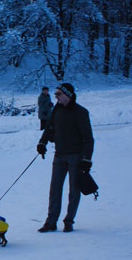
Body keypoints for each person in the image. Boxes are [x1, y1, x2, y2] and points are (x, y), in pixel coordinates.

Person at [36, 82, 94, 233]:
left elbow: (88, 139)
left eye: (58, 94)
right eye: (55, 94)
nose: (56, 97)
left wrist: (86, 160)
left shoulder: (80, 112)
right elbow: (49, 128)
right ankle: (51, 222)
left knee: (74, 191)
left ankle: (69, 221)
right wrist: (42, 143)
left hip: (76, 157)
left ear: (67, 95)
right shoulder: (57, 110)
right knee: (54, 190)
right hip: (59, 155)